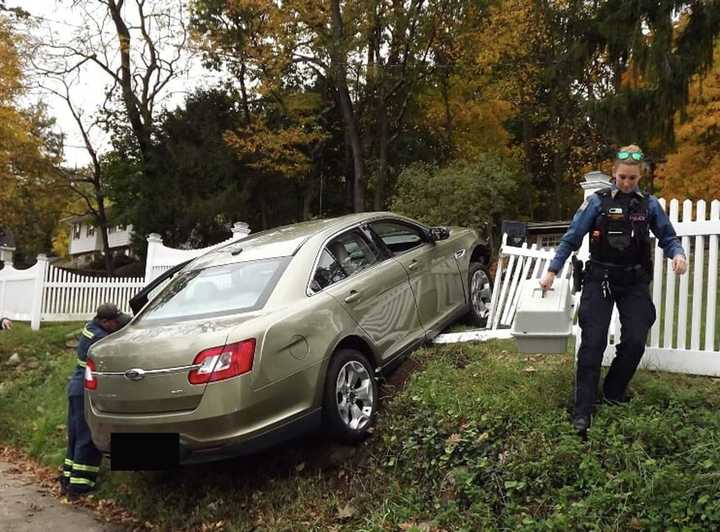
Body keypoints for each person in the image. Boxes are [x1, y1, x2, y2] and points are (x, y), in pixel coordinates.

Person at [539, 145, 688, 435]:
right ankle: (582, 411)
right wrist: (551, 271)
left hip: (634, 282)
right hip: (600, 278)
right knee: (593, 343)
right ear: (613, 174)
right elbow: (571, 238)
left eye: (632, 178)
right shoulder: (596, 203)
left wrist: (678, 254)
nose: (627, 183)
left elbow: (669, 237)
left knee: (634, 341)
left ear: (640, 177)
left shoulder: (649, 205)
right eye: (622, 177)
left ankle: (612, 393)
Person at [60, 302, 130, 498]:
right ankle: (80, 487)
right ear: (105, 321)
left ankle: (67, 479)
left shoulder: (90, 327)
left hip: (76, 388)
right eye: (115, 322)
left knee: (74, 436)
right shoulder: (99, 340)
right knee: (87, 438)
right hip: (85, 391)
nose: (117, 325)